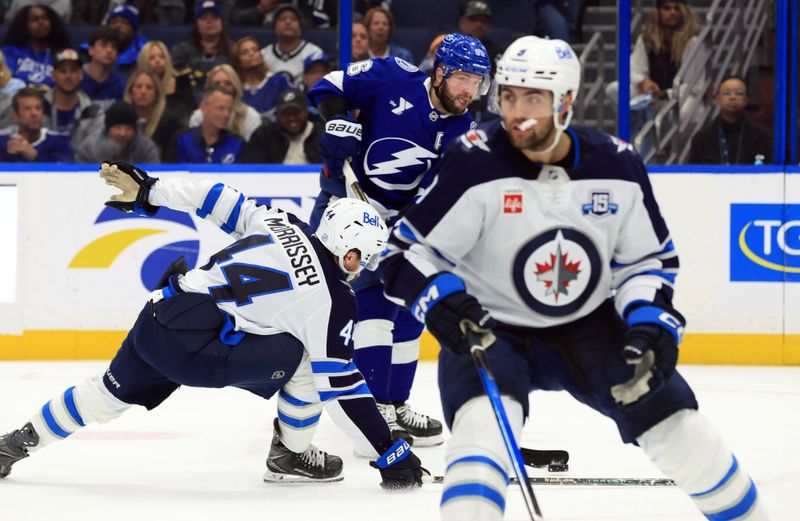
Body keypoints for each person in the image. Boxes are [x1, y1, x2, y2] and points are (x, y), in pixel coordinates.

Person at [380, 35, 771, 521]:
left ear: (565, 102)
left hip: (592, 328)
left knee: (685, 434)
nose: (517, 111)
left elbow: (647, 262)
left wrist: (650, 321)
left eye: (534, 98)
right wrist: (441, 301)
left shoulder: (617, 165)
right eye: (508, 96)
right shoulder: (473, 160)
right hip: (490, 329)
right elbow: (403, 254)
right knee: (479, 444)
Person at [0, 161, 424, 490]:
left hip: (162, 314)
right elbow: (343, 386)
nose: (363, 266)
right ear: (350, 254)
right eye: (363, 257)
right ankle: (289, 456)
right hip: (204, 352)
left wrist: (151, 190)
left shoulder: (283, 222)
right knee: (310, 361)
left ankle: (18, 441)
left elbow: (217, 197)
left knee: (105, 393)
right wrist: (388, 450)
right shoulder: (336, 300)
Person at [307, 33, 491, 447]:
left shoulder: (465, 134)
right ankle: (371, 413)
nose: (468, 90)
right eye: (462, 78)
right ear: (440, 71)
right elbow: (329, 87)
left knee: (409, 307)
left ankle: (393, 402)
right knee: (357, 301)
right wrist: (336, 120)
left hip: (399, 220)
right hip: (346, 201)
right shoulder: (392, 76)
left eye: (477, 82)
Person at [605, 0, 707, 144]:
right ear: (658, 11)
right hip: (651, 96)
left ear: (683, 12)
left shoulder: (693, 42)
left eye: (677, 8)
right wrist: (643, 82)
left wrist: (665, 94)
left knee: (685, 112)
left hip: (680, 97)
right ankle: (637, 134)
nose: (672, 12)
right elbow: (633, 68)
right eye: (667, 8)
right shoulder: (646, 39)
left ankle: (675, 150)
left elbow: (694, 85)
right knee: (614, 89)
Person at [688, 75, 772, 165]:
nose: (733, 97)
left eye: (739, 93)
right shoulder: (701, 138)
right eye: (727, 93)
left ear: (746, 100)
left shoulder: (762, 137)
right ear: (718, 99)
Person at [242, 87, 323, 164]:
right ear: (278, 115)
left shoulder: (322, 135)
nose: (292, 118)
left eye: (296, 112)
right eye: (286, 113)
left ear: (306, 112)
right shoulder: (263, 136)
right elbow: (252, 170)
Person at [0, 4, 72, 88]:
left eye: (44, 18)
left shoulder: (62, 54)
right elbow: (6, 82)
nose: (41, 22)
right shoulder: (10, 51)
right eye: (34, 19)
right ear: (25, 26)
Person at [170, 1, 232, 98]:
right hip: (188, 101)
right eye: (204, 18)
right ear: (196, 25)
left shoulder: (233, 50)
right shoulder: (181, 51)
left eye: (214, 17)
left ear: (222, 23)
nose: (209, 21)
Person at [43, 48, 102, 148]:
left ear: (81, 75)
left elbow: (92, 153)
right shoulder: (39, 107)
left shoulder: (93, 113)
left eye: (73, 70)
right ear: (53, 75)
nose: (68, 76)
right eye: (62, 71)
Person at [187, 64, 262, 141]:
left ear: (235, 87)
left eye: (227, 83)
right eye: (216, 84)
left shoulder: (251, 117)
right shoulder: (198, 116)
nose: (222, 87)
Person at [124, 69, 184, 163]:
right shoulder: (121, 120)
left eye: (149, 87)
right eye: (139, 86)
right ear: (131, 92)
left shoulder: (170, 123)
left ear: (156, 94)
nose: (143, 91)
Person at [0, 87, 73, 162]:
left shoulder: (59, 142)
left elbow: (63, 172)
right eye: (27, 109)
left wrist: (34, 156)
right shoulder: (2, 141)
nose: (34, 113)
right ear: (15, 115)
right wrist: (8, 155)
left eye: (38, 108)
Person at [177, 85, 244, 163]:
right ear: (204, 107)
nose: (227, 114)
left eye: (229, 110)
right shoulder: (183, 140)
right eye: (221, 108)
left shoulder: (237, 143)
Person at [136, 41, 196, 128]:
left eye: (162, 57)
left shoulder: (182, 82)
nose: (157, 60)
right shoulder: (137, 85)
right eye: (152, 58)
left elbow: (191, 111)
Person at [75, 100, 159, 163]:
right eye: (118, 128)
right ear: (108, 129)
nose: (122, 133)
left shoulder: (146, 149)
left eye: (128, 128)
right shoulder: (89, 148)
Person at [260, 5, 323, 85]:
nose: (288, 22)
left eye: (293, 19)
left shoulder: (314, 53)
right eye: (282, 19)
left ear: (300, 27)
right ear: (274, 27)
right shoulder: (263, 55)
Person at [231, 36, 292, 120]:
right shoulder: (234, 87)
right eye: (245, 53)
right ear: (238, 62)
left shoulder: (279, 81)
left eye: (255, 50)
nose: (251, 54)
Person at [80, 27, 126, 110]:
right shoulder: (76, 78)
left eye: (114, 47)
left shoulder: (119, 84)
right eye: (104, 45)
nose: (109, 50)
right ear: (91, 50)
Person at [106, 5, 148, 75]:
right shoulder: (92, 49)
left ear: (134, 30)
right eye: (113, 22)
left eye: (124, 22)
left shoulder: (144, 52)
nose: (117, 26)